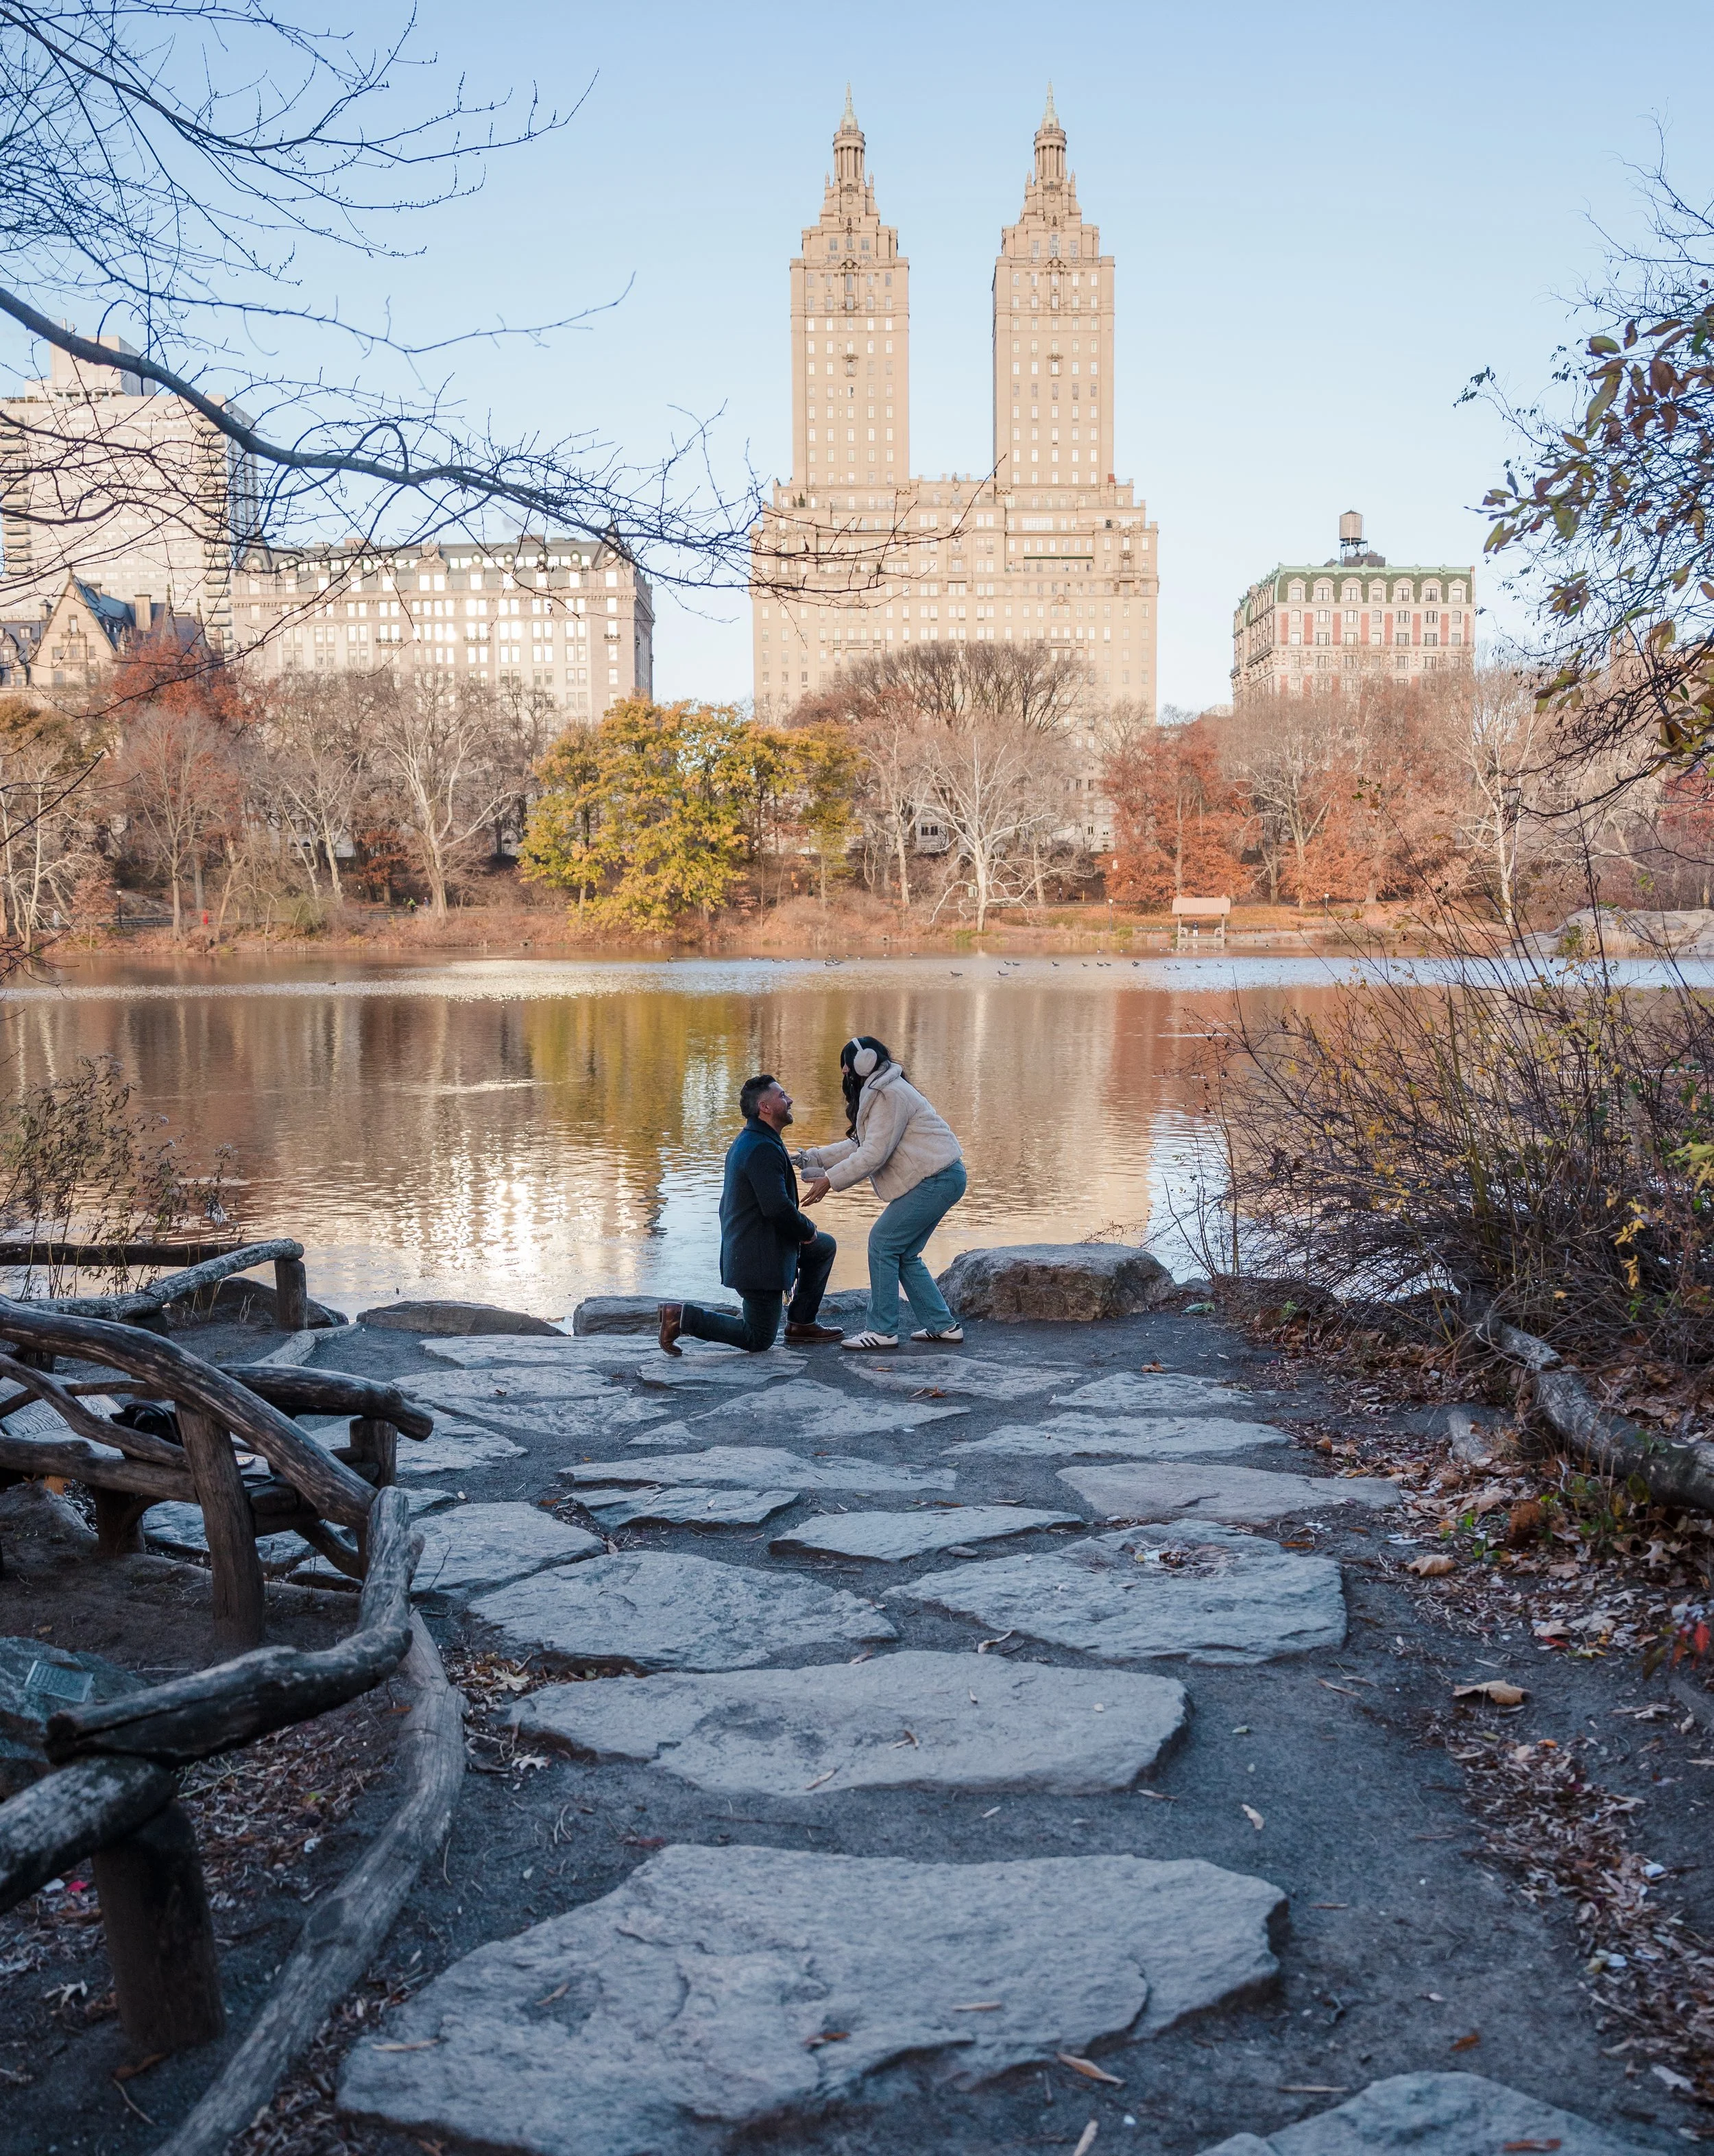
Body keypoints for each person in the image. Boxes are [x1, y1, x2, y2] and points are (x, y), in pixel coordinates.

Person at [795, 1035, 967, 1351]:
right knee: (903, 1253)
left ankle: (883, 1330)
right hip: (942, 1177)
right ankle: (943, 1326)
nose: (845, 1073)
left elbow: (874, 1154)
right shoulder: (884, 1090)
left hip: (936, 1179)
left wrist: (829, 1180)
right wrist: (815, 1158)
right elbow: (860, 1144)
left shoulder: (889, 1094)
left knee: (882, 1243)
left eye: (846, 1066)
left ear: (863, 1064)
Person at [657, 1073, 842, 1356]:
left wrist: (810, 1236)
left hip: (762, 1248)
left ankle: (801, 1323)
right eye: (782, 1096)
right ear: (765, 1107)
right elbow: (777, 1208)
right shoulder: (760, 1148)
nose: (789, 1099)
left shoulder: (759, 1139)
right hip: (758, 1259)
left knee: (823, 1247)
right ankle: (681, 1317)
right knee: (757, 1338)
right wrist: (807, 1231)